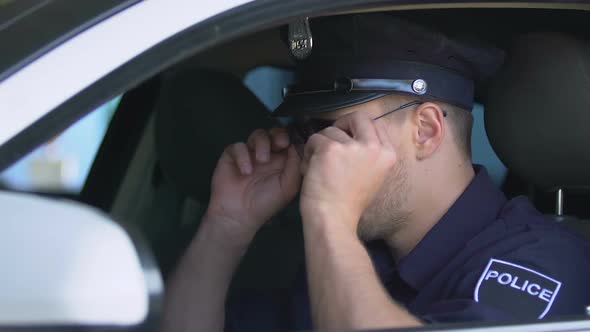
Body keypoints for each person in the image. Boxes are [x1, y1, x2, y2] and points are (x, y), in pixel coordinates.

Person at [162, 14, 590, 332]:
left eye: (334, 131)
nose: (314, 153)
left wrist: (330, 217)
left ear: (425, 131)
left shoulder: (543, 263)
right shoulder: (354, 254)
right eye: (305, 132)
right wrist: (228, 224)